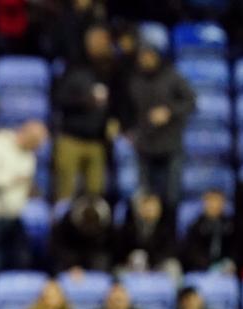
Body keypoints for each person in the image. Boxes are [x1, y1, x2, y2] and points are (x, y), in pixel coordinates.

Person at [53, 25, 125, 201]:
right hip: (71, 139)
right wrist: (85, 101)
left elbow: (120, 100)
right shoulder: (74, 67)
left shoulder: (112, 70)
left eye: (103, 41)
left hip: (97, 141)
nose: (100, 45)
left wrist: (115, 120)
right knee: (65, 193)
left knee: (95, 193)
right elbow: (59, 98)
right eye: (96, 41)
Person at [0, 121, 48, 276]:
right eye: (36, 143)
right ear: (26, 134)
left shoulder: (29, 156)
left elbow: (25, 182)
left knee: (21, 260)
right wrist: (11, 180)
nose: (37, 148)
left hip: (13, 217)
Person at [128, 43, 195, 210]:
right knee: (145, 196)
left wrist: (169, 111)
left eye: (150, 56)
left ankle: (170, 231)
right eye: (143, 57)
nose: (146, 60)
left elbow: (191, 102)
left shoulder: (172, 77)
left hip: (170, 144)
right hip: (144, 145)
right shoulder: (134, 80)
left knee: (172, 196)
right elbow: (126, 109)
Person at [114, 191, 181, 282]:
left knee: (173, 266)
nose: (149, 210)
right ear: (139, 209)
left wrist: (150, 259)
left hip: (158, 264)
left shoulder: (167, 226)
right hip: (133, 264)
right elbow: (120, 249)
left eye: (152, 206)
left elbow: (171, 250)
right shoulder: (129, 226)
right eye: (146, 206)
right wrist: (132, 257)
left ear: (159, 209)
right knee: (119, 271)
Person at [50, 194, 115, 273]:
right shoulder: (67, 223)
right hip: (72, 255)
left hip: (97, 255)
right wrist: (72, 265)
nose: (90, 225)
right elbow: (59, 248)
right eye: (88, 219)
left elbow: (110, 249)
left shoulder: (107, 224)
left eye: (92, 219)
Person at [181, 188, 236, 273]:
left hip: (227, 271)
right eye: (210, 201)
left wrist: (228, 262)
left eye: (217, 201)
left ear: (223, 203)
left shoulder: (232, 225)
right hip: (200, 270)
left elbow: (236, 250)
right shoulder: (196, 226)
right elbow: (191, 252)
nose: (213, 205)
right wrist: (209, 266)